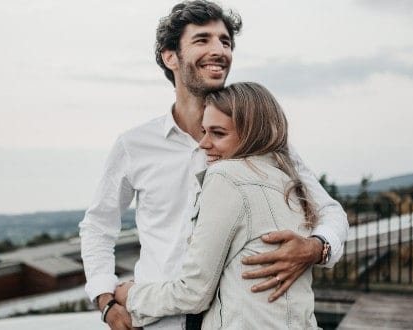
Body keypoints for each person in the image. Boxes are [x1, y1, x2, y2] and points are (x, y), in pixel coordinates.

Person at [78, 1, 348, 329]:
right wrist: (106, 300)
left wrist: (315, 247)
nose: (219, 49)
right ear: (170, 57)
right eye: (202, 39)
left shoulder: (263, 142)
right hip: (156, 319)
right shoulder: (133, 145)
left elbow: (330, 211)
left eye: (225, 41)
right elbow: (98, 226)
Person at [115, 81, 320, 329]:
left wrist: (131, 295)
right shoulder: (291, 183)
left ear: (252, 133)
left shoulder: (226, 176)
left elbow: (194, 293)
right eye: (204, 131)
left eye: (218, 133)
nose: (203, 144)